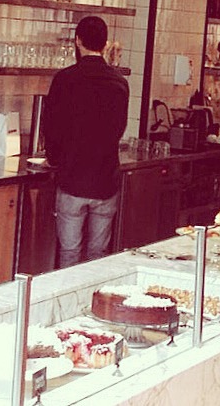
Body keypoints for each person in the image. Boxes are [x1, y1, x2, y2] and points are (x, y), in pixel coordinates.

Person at [44, 16, 129, 268]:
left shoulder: (65, 79)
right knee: (98, 255)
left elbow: (52, 127)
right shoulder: (119, 82)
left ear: (78, 40)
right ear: (105, 44)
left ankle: (69, 294)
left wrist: (54, 159)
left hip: (73, 179)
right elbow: (119, 128)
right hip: (105, 180)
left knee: (70, 253)